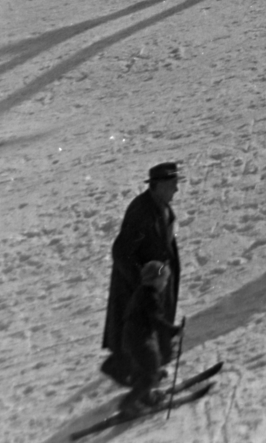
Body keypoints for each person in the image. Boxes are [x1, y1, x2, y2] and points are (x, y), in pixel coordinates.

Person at [101, 162, 181, 384]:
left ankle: (147, 374)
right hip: (137, 287)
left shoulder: (161, 206)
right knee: (139, 335)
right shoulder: (141, 212)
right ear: (159, 185)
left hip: (157, 283)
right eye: (173, 184)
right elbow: (121, 251)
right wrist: (142, 282)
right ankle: (138, 383)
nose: (177, 189)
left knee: (149, 331)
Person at [118, 260, 181, 418]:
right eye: (164, 280)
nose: (166, 284)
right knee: (151, 372)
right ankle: (128, 404)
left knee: (145, 369)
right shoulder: (150, 297)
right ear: (156, 280)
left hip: (135, 337)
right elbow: (156, 320)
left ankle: (146, 397)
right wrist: (174, 330)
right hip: (140, 339)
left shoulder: (144, 292)